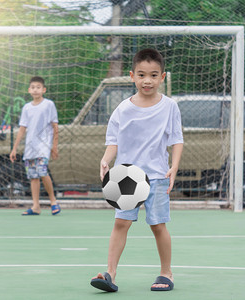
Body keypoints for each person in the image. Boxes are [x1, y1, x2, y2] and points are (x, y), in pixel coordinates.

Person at [90, 49, 184, 292]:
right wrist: (105, 160)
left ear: (162, 77)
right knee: (120, 224)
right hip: (126, 177)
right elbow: (113, 141)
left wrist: (174, 167)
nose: (147, 80)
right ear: (132, 76)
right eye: (141, 75)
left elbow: (176, 139)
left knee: (158, 226)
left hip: (157, 176)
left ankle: (166, 273)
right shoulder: (123, 109)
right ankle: (109, 273)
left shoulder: (170, 106)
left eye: (153, 75)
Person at [10, 76, 61, 216]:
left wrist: (54, 146)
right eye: (33, 87)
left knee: (42, 172)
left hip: (43, 146)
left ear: (43, 89)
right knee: (33, 177)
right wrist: (14, 148)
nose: (35, 90)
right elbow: (22, 129)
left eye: (38, 87)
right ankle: (36, 206)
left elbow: (55, 126)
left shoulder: (49, 105)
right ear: (29, 90)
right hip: (30, 148)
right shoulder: (26, 108)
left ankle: (53, 202)